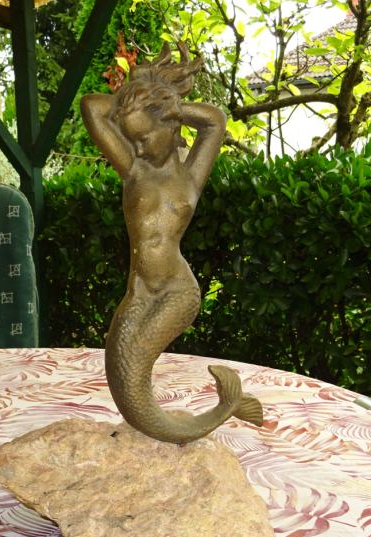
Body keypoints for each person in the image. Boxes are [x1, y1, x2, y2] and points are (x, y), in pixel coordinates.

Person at [81, 43, 263, 444]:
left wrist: (169, 104)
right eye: (132, 139)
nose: (137, 147)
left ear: (169, 126)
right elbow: (92, 107)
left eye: (144, 138)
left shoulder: (191, 176)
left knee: (132, 372)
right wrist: (136, 97)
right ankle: (223, 409)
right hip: (140, 293)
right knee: (124, 379)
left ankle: (222, 409)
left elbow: (214, 121)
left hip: (177, 292)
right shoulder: (133, 169)